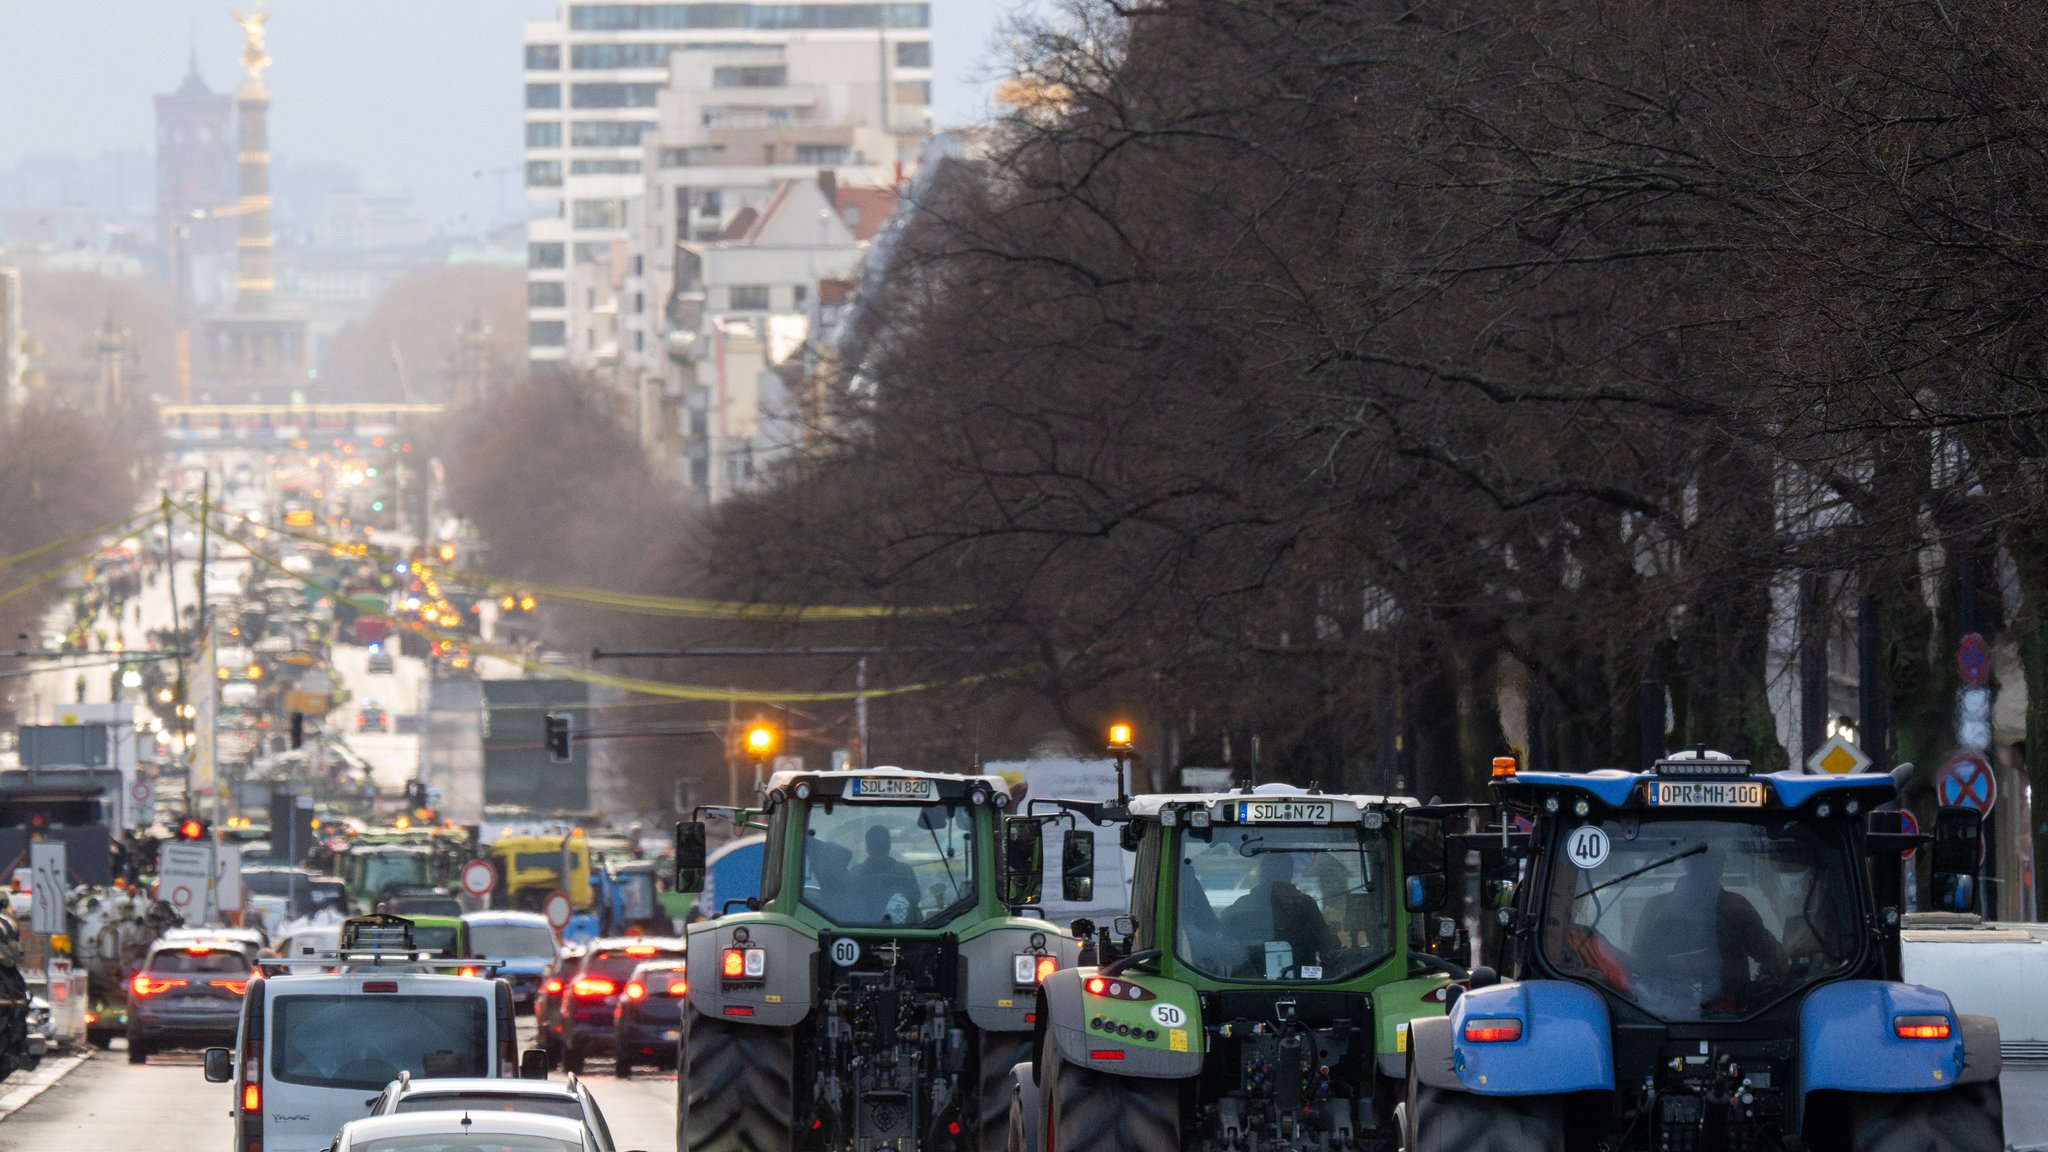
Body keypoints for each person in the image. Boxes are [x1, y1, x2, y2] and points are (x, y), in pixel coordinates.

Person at [1632, 846, 1783, 1011]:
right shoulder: (1657, 909)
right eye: (1706, 862)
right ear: (1689, 863)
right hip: (1666, 1015)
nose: (1713, 867)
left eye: (1716, 861)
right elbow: (1641, 964)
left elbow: (1772, 956)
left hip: (1734, 1016)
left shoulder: (1736, 907)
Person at [1222, 851, 1337, 976]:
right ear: (1289, 874)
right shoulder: (1306, 905)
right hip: (1304, 983)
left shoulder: (1242, 905)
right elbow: (1327, 945)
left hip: (1252, 984)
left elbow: (1225, 945)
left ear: (1262, 873)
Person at [853, 824, 921, 924]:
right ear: (889, 845)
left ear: (867, 847)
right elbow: (915, 899)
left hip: (861, 930)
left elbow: (849, 904)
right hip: (905, 932)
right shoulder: (905, 871)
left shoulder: (856, 873)